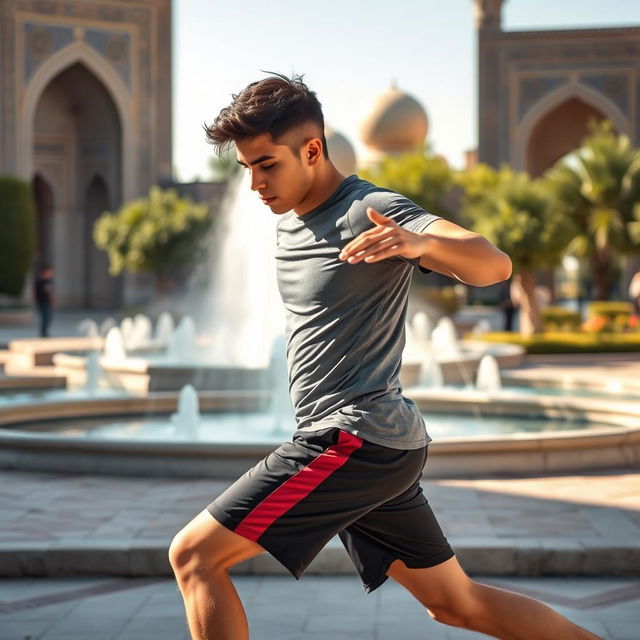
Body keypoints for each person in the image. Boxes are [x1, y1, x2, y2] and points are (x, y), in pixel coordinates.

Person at [169, 74, 601, 640]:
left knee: (194, 557)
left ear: (313, 149)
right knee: (455, 604)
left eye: (267, 165)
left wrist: (420, 243)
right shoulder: (289, 221)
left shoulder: (370, 208)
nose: (255, 184)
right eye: (247, 167)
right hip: (375, 445)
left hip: (355, 439)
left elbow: (494, 264)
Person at [33, 264, 54, 338]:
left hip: (47, 302)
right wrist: (36, 302)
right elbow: (35, 292)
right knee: (46, 318)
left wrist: (52, 301)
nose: (50, 274)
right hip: (42, 302)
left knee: (48, 318)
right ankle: (43, 333)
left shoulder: (48, 281)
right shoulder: (39, 281)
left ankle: (44, 332)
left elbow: (50, 293)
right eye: (49, 272)